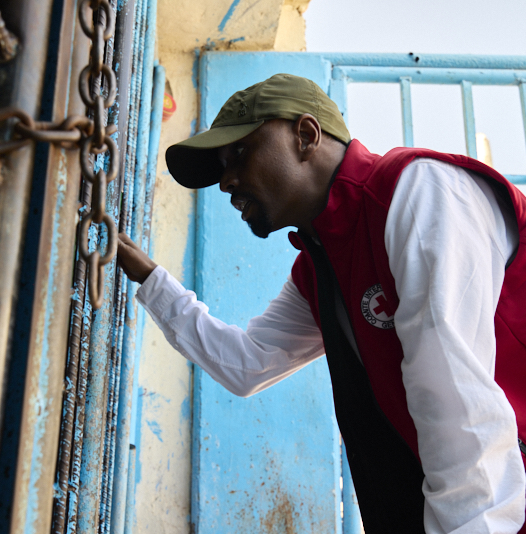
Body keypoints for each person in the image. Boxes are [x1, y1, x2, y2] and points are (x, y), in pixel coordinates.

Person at [116, 73, 526, 534]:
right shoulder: (319, 265)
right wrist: (149, 278)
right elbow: (248, 364)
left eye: (240, 155)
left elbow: (458, 404)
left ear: (306, 135)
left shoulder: (417, 191)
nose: (227, 182)